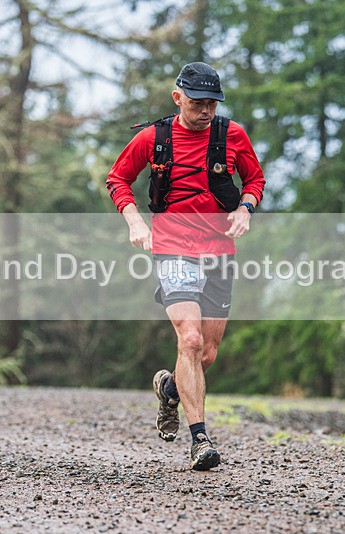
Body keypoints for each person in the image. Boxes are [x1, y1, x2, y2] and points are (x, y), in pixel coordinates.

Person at [106, 62, 265, 470]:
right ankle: (200, 441)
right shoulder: (153, 138)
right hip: (173, 246)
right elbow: (117, 179)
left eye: (212, 103)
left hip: (219, 250)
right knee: (190, 340)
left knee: (207, 353)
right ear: (178, 98)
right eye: (197, 103)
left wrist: (246, 210)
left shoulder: (232, 135)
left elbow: (255, 180)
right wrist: (136, 221)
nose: (206, 111)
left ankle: (169, 388)